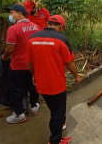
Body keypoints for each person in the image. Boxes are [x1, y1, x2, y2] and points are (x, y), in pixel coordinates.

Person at [27, 14, 81, 144]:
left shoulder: (32, 38)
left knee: (54, 108)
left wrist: (34, 75)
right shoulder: (61, 39)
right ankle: (55, 140)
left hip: (41, 83)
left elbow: (30, 62)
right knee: (57, 112)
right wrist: (77, 76)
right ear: (61, 26)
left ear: (48, 23)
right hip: (56, 84)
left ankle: (59, 124)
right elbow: (70, 63)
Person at [2, 4, 40, 124]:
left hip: (18, 65)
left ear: (19, 13)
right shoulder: (36, 27)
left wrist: (4, 57)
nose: (11, 16)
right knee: (33, 86)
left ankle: (19, 114)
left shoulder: (13, 29)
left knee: (16, 90)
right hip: (33, 65)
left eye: (12, 13)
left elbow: (10, 49)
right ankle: (34, 106)